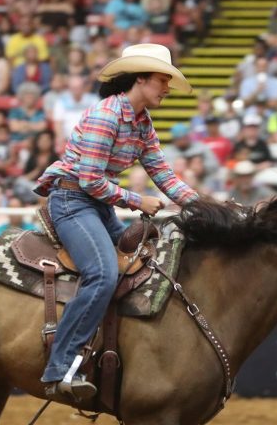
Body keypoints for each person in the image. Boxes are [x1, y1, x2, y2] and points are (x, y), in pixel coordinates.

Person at [33, 44, 199, 404]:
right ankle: (59, 367)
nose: (166, 88)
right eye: (162, 80)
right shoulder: (106, 116)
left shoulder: (141, 123)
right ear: (140, 78)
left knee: (148, 265)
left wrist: (206, 207)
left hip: (97, 206)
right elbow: (91, 179)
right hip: (72, 201)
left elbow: (165, 176)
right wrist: (138, 201)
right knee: (104, 273)